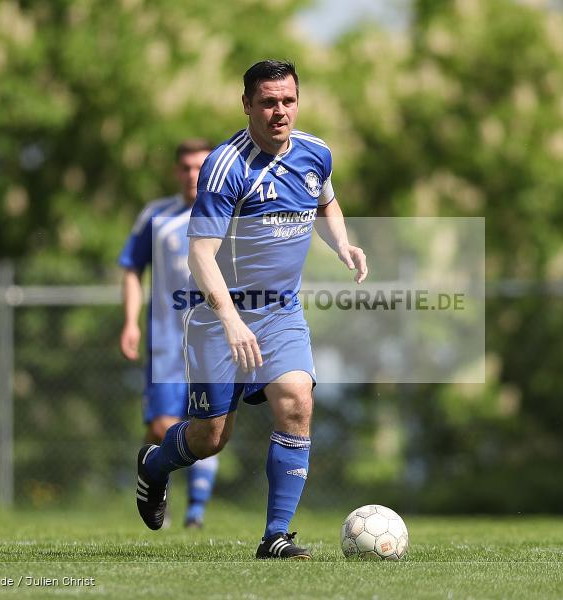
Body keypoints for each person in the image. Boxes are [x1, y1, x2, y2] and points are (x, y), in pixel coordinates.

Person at [134, 60, 368, 559]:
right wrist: (231, 320)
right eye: (268, 101)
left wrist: (343, 245)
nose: (279, 111)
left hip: (282, 312)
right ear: (247, 105)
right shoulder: (226, 166)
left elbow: (325, 202)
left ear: (297, 102)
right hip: (220, 319)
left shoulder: (316, 153)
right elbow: (200, 254)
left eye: (287, 100)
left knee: (297, 401)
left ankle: (275, 537)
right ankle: (154, 466)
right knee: (210, 437)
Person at [119, 139, 219, 530]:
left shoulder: (226, 215)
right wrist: (130, 321)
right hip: (165, 341)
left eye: (200, 167)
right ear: (177, 172)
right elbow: (131, 267)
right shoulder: (157, 217)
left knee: (209, 423)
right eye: (186, 168)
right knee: (162, 426)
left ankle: (195, 511)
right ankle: (154, 474)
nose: (193, 175)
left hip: (213, 342)